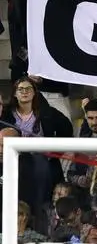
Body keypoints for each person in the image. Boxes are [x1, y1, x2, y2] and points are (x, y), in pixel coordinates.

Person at [2, 76, 73, 228]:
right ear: (15, 94)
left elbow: (67, 128)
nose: (24, 92)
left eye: (28, 89)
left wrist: (55, 148)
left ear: (35, 93)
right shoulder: (6, 114)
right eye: (20, 89)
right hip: (16, 165)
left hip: (42, 165)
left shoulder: (47, 112)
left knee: (41, 201)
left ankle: (38, 228)